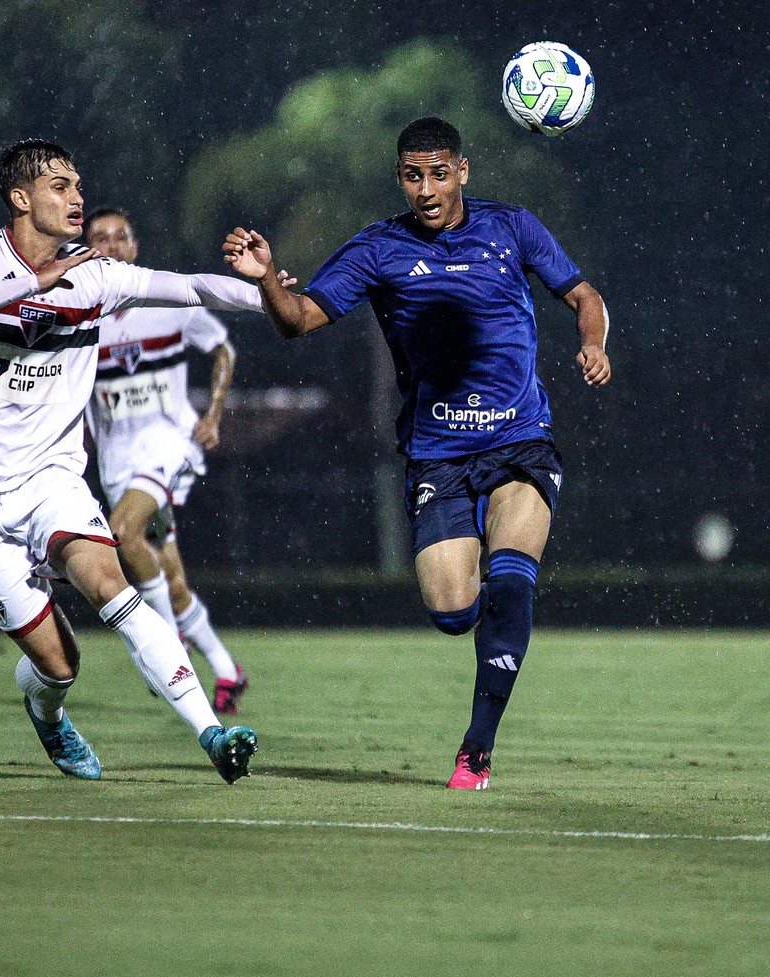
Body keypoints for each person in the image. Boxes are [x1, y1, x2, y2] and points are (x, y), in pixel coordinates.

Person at [224, 116, 611, 789]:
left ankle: (477, 748)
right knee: (453, 611)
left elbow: (584, 295)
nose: (426, 188)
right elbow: (298, 320)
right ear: (400, 178)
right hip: (438, 456)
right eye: (412, 175)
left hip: (520, 439)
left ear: (462, 171)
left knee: (514, 581)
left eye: (438, 172)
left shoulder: (512, 228)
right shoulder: (378, 249)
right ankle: (488, 613)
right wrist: (266, 281)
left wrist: (594, 341)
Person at [0, 138, 262, 783]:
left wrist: (270, 293)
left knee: (110, 581)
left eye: (79, 186)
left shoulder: (95, 274)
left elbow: (189, 288)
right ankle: (48, 713)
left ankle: (212, 734)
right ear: (21, 199)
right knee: (59, 665)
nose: (77, 198)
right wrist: (30, 282)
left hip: (49, 477)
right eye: (61, 187)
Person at [82, 208, 248, 715]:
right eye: (98, 239)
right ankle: (225, 668)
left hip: (168, 444)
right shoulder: (79, 316)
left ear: (134, 248)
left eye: (119, 238)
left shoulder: (169, 298)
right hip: (116, 458)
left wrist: (214, 414)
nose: (109, 246)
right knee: (168, 576)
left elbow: (223, 349)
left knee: (124, 533)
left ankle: (166, 653)